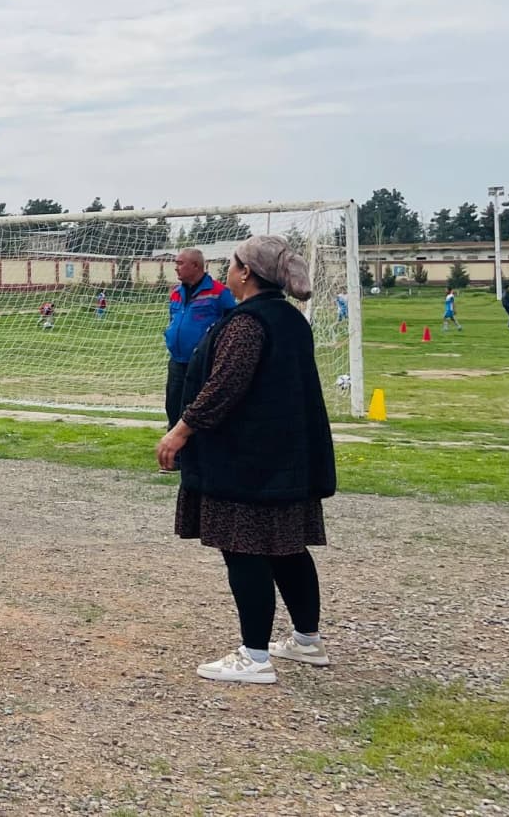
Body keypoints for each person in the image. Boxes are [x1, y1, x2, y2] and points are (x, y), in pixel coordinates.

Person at [157, 235, 336, 685]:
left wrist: (180, 432)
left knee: (246, 552)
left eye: (232, 264)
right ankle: (307, 640)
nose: (228, 271)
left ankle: (254, 656)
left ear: (247, 273)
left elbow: (223, 388)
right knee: (288, 549)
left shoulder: (247, 324)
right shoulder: (291, 320)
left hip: (249, 462)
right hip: (286, 457)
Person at [164, 248, 236, 429]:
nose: (176, 268)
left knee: (198, 410)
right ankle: (176, 454)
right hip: (177, 362)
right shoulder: (176, 292)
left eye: (180, 263)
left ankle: (199, 452)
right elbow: (173, 319)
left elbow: (232, 324)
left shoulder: (219, 292)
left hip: (203, 364)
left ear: (195, 266)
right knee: (173, 408)